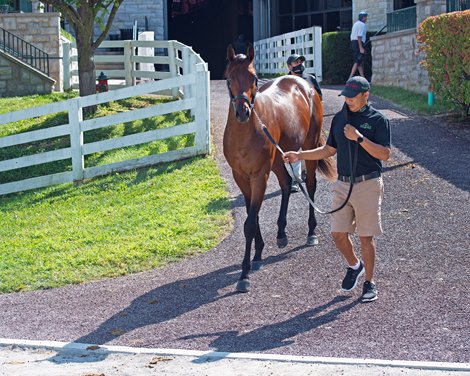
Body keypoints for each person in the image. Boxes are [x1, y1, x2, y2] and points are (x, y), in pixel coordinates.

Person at [283, 76, 391, 302]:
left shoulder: (378, 120)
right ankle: (354, 265)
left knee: (365, 238)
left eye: (353, 96)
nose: (348, 100)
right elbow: (328, 150)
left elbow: (384, 155)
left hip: (368, 184)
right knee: (337, 234)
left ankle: (370, 283)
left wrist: (359, 138)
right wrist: (299, 155)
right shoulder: (340, 118)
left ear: (366, 95)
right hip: (342, 184)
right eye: (346, 96)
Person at [285, 53, 323, 193]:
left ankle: (307, 171)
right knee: (293, 149)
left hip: (310, 120)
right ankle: (295, 179)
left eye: (300, 61)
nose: (299, 64)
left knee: (309, 148)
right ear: (289, 66)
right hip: (292, 121)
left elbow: (320, 98)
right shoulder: (285, 82)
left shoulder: (310, 79)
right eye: (295, 62)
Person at [349, 11, 368, 79]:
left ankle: (363, 78)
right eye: (366, 17)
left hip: (353, 43)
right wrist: (361, 47)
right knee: (357, 61)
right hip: (358, 43)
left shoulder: (355, 24)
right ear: (363, 18)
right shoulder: (362, 25)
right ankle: (350, 77)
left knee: (359, 61)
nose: (366, 19)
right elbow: (359, 36)